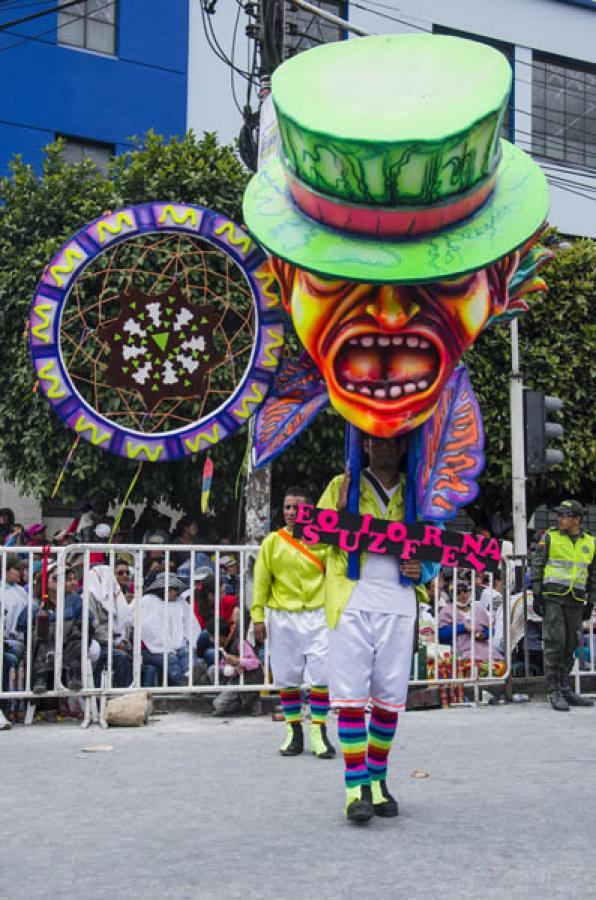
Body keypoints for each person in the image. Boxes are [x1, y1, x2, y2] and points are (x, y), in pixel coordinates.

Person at [317, 434, 437, 822]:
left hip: (399, 603)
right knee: (351, 698)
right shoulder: (341, 485)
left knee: (388, 699)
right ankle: (355, 788)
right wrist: (334, 514)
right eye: (375, 441)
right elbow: (315, 540)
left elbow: (434, 548)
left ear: (403, 447)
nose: (383, 447)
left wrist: (425, 570)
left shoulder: (419, 494)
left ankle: (379, 780)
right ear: (364, 445)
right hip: (351, 599)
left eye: (392, 442)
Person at [252, 486, 335, 760]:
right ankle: (293, 730)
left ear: (309, 511)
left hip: (318, 614)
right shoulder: (272, 542)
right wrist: (257, 616)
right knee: (287, 677)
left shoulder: (323, 541)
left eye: (297, 508)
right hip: (282, 617)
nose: (291, 512)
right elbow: (262, 582)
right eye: (287, 507)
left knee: (321, 676)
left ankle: (319, 731)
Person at [531, 500, 595, 711]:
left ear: (576, 519)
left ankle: (565, 687)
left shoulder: (591, 542)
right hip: (553, 597)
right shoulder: (550, 537)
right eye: (558, 515)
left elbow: (592, 574)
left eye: (564, 516)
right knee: (554, 643)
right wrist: (537, 594)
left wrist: (591, 600)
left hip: (575, 599)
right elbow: (538, 564)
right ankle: (553, 690)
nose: (559, 519)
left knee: (571, 643)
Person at [139, 573, 190, 686]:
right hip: (149, 650)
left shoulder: (179, 602)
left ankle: (191, 678)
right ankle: (183, 686)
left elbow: (189, 626)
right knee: (171, 659)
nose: (178, 592)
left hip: (175, 647)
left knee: (187, 653)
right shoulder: (147, 602)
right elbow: (149, 631)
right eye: (175, 589)